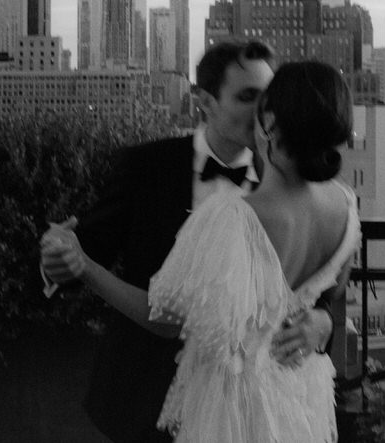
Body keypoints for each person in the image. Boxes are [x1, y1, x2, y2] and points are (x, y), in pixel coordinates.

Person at [40, 41, 339, 443]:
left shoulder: (295, 189)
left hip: (250, 413)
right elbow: (88, 250)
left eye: (269, 98)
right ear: (205, 102)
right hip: (141, 400)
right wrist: (58, 259)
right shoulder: (146, 167)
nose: (264, 111)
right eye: (247, 96)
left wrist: (324, 323)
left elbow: (318, 295)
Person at [146, 60, 358, 442]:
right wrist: (323, 321)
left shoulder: (232, 216)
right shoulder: (346, 204)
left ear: (270, 123)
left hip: (237, 407)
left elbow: (165, 318)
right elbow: (335, 292)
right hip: (301, 395)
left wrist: (88, 270)